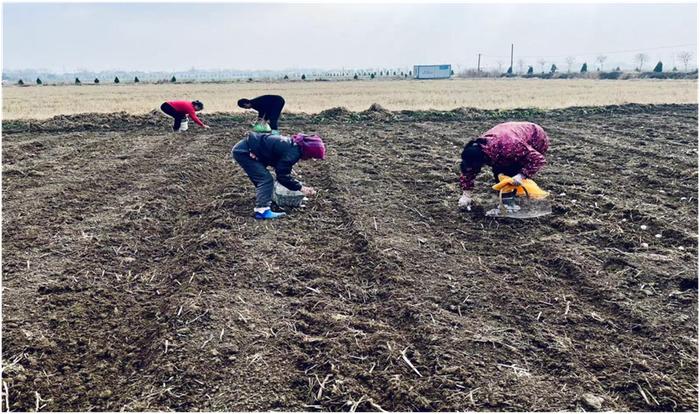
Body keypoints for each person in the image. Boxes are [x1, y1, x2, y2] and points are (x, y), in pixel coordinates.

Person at [232, 132, 325, 220]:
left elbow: (278, 161)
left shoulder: (293, 145)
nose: (311, 159)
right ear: (309, 151)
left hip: (248, 148)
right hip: (245, 151)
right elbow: (282, 177)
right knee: (265, 179)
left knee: (262, 176)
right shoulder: (293, 153)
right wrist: (300, 188)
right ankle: (262, 210)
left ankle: (265, 199)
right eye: (313, 156)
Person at [458, 121, 549, 209]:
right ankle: (507, 201)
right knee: (500, 173)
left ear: (483, 160)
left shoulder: (510, 147)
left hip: (535, 136)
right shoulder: (477, 152)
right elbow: (469, 170)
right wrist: (466, 195)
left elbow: (537, 159)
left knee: (513, 172)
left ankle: (519, 199)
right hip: (507, 139)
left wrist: (521, 175)